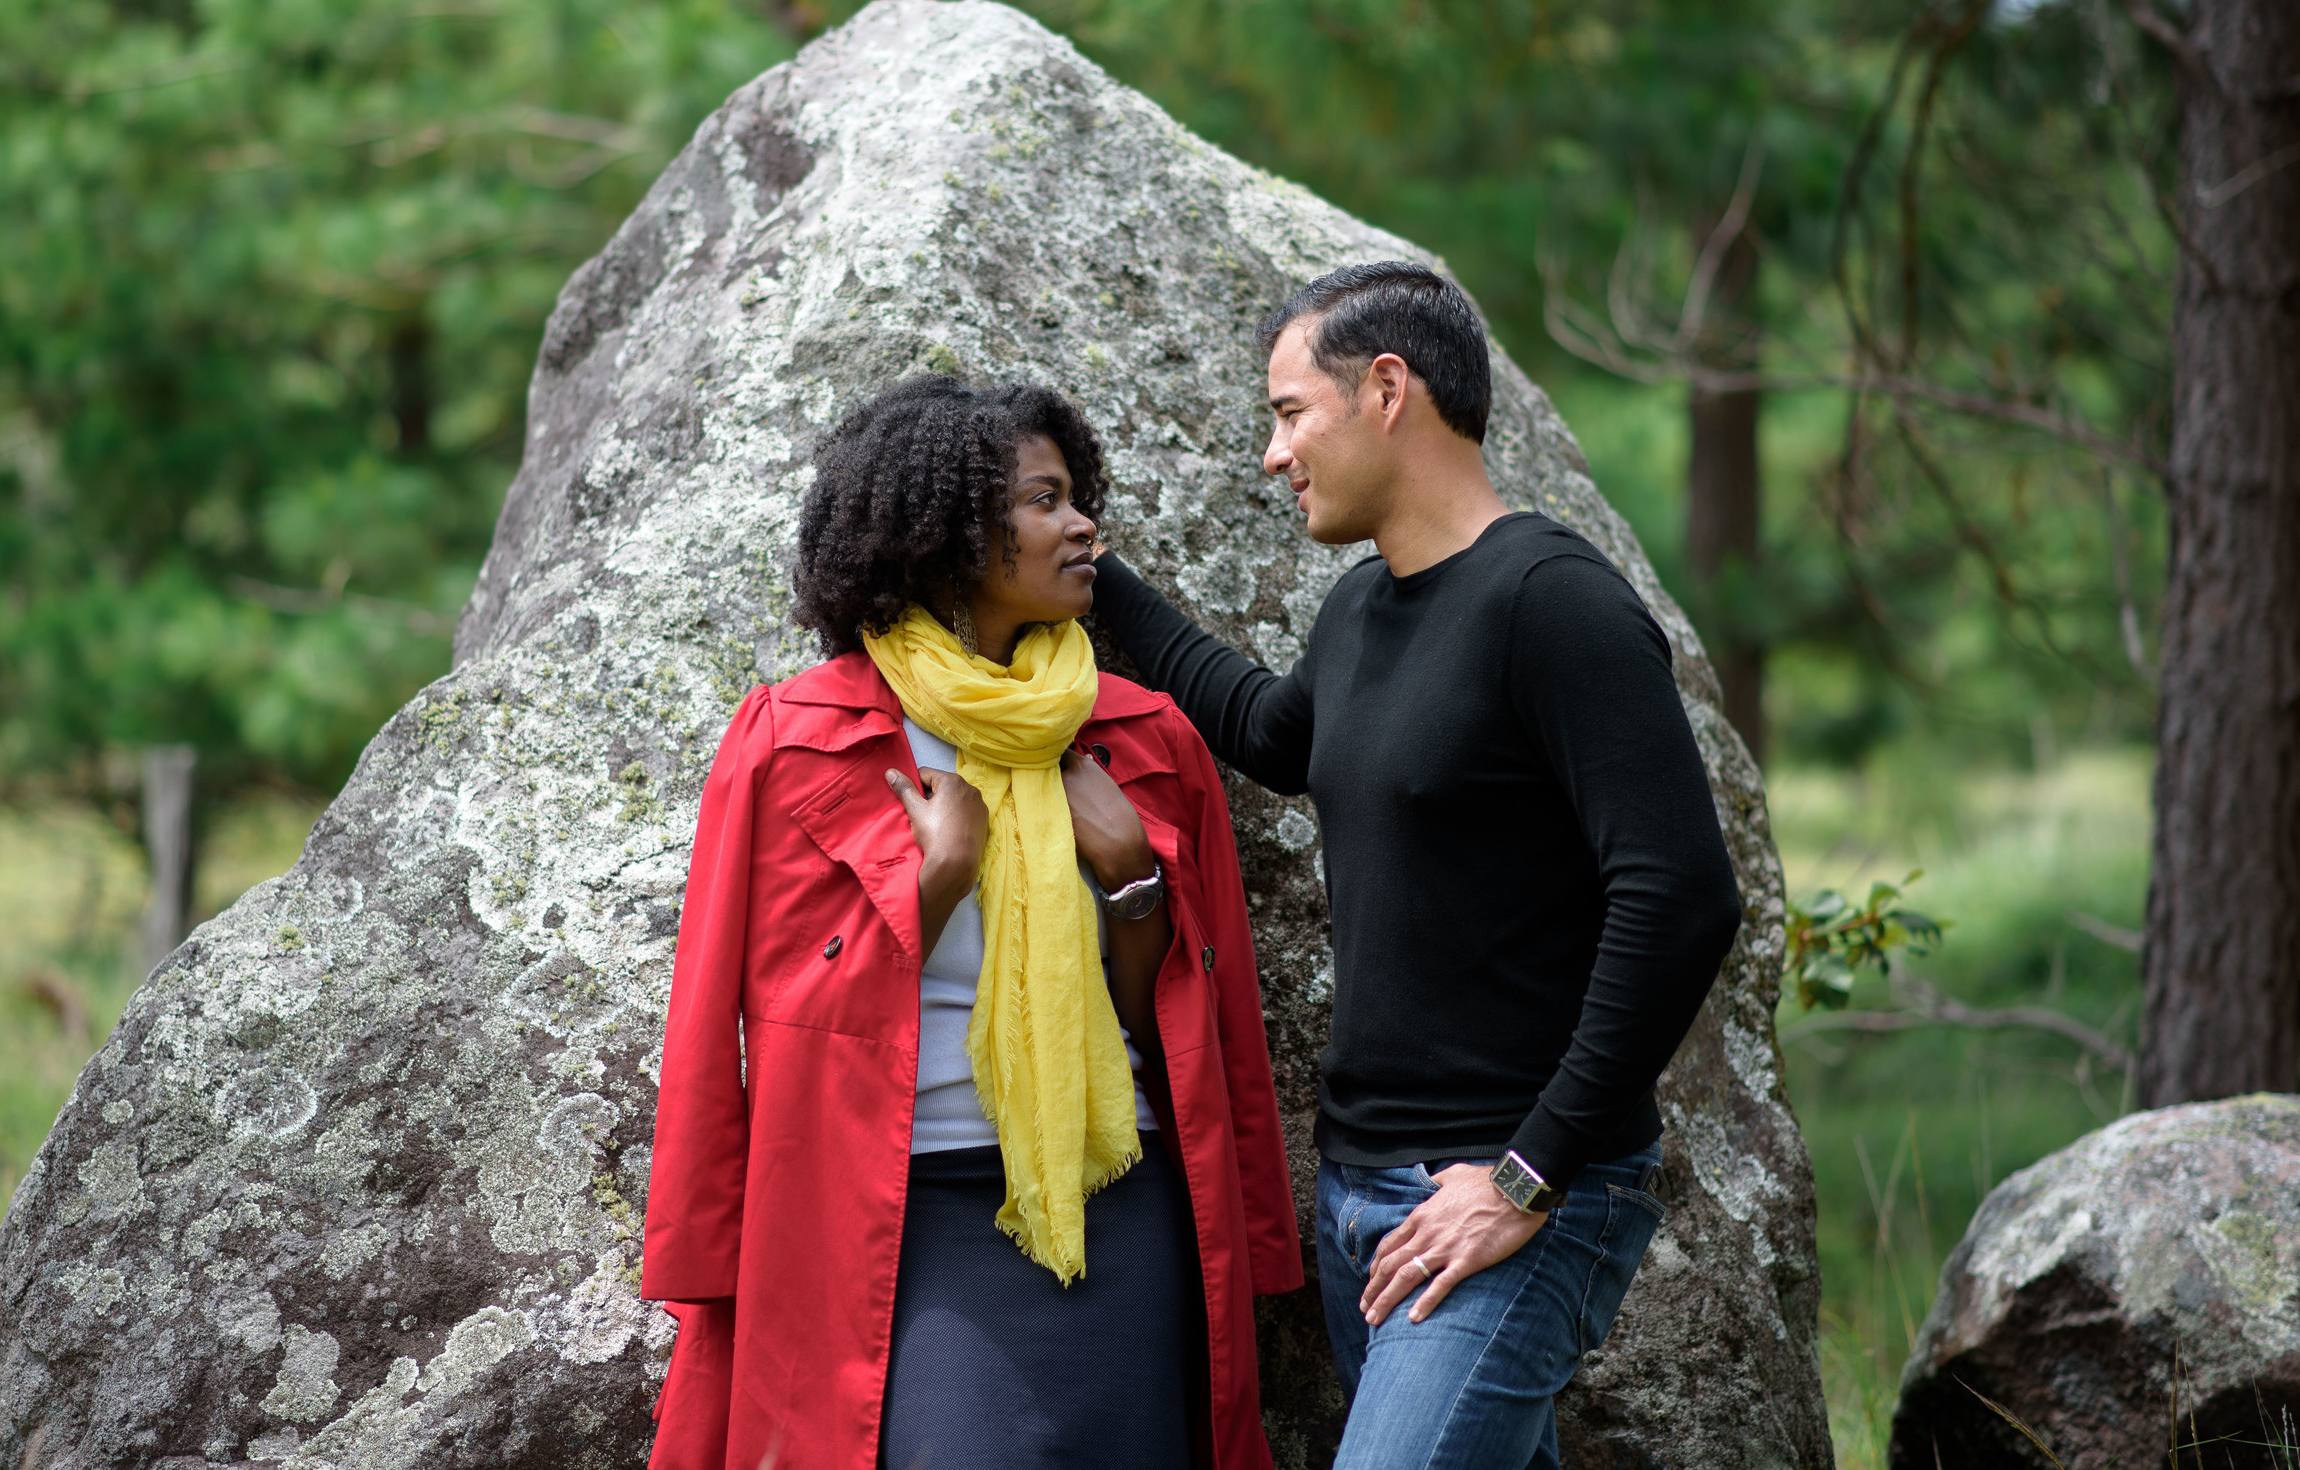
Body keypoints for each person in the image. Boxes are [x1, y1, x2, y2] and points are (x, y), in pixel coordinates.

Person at [1088, 262, 1745, 1470]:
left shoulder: (1553, 604)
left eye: (1290, 412)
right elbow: (1267, 731)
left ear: (1387, 387)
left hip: (1511, 1196)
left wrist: (1524, 1174)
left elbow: (1683, 894)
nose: (1275, 453)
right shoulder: (1359, 611)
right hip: (1363, 1197)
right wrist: (1091, 570)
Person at [642, 375, 1303, 1470]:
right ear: (949, 534)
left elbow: (1201, 1020)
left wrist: (1134, 875)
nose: (1083, 522)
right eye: (1045, 500)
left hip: (1117, 1197)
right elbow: (732, 1017)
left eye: (1076, 495)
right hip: (902, 1206)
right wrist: (937, 876)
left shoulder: (1148, 738)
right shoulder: (795, 736)